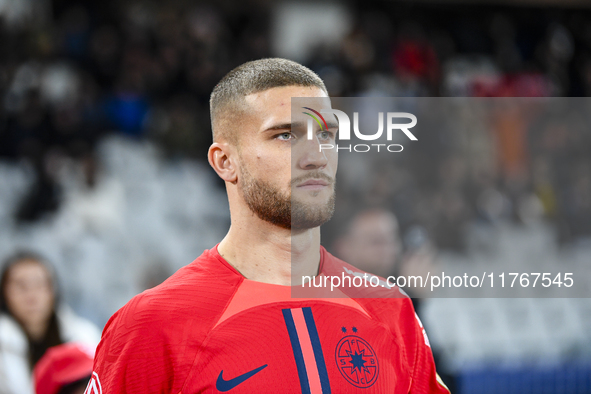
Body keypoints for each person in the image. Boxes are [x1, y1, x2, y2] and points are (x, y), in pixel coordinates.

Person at [90, 58, 450, 393]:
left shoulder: (390, 309)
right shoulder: (152, 327)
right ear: (225, 162)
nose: (316, 157)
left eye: (326, 135)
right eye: (285, 136)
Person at [0, 252, 101, 394]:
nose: (31, 296)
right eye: (21, 286)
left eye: (39, 285)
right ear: (4, 293)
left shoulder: (85, 336)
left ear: (53, 290)